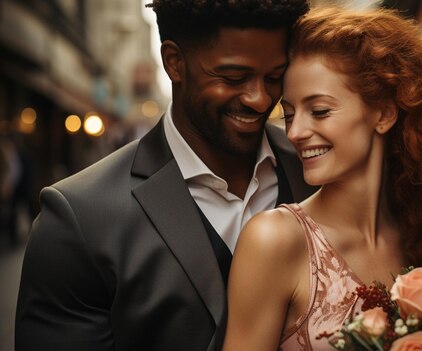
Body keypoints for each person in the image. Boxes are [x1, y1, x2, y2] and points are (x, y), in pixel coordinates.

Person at [222, 7, 422, 351]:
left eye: (320, 111)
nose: (295, 132)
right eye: (290, 114)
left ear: (383, 113)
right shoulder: (274, 240)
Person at [15, 1, 314, 350]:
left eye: (275, 77)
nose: (261, 99)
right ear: (174, 62)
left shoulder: (322, 172)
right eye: (234, 78)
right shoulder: (79, 218)